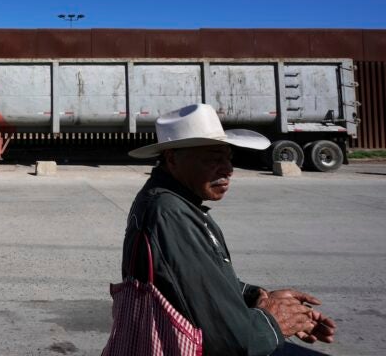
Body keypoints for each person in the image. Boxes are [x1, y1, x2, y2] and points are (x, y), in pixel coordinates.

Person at [124, 104, 336, 355]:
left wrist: (257, 296)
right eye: (214, 158)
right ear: (172, 158)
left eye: (228, 157)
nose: (228, 169)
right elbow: (232, 341)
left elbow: (201, 283)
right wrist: (275, 320)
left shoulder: (177, 204)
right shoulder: (170, 212)